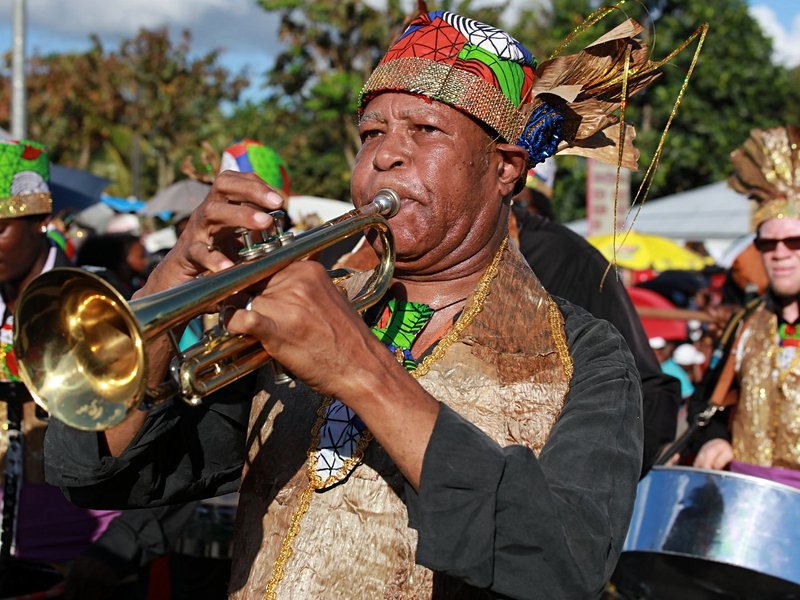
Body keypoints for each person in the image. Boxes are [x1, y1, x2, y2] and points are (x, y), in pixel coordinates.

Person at [43, 9, 693, 599]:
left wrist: (358, 366)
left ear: (504, 169)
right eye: (371, 131)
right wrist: (166, 288)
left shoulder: (586, 356)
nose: (386, 154)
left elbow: (560, 565)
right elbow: (109, 478)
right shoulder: (311, 306)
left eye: (425, 129)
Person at [691, 124, 800, 487]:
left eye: (793, 242)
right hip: (746, 513)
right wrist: (713, 438)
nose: (779, 254)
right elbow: (705, 406)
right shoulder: (745, 324)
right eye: (767, 244)